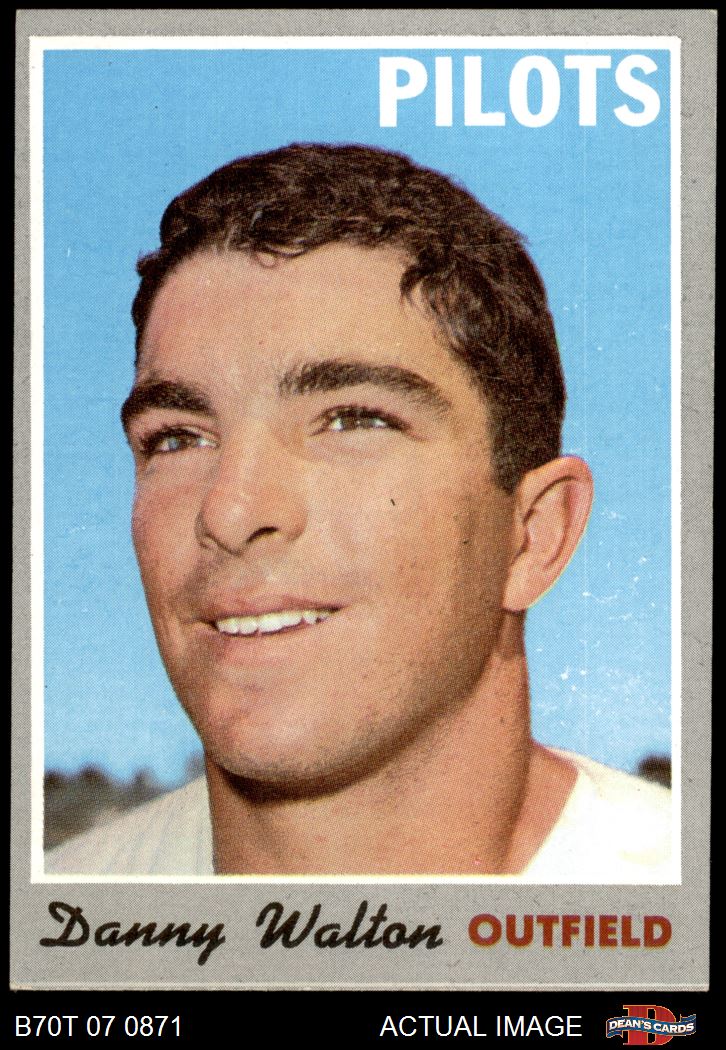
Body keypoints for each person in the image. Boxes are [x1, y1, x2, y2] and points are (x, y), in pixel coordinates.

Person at [46, 143, 671, 880]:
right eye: (178, 437)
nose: (231, 511)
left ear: (535, 535)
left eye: (352, 420)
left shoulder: (672, 891)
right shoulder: (61, 910)